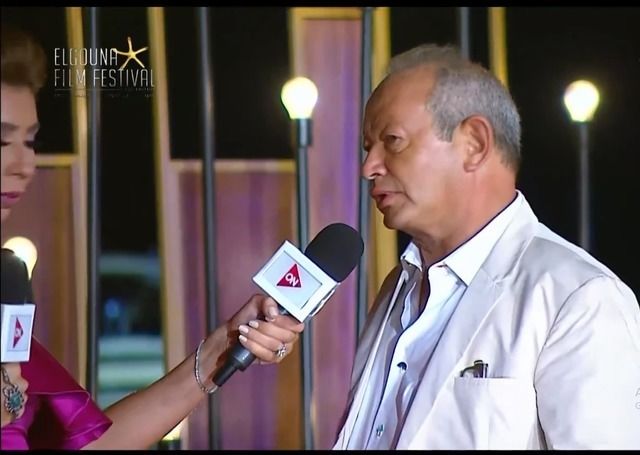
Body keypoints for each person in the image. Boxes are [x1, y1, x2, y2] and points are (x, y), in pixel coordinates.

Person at [0, 24, 305, 449]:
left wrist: (219, 349)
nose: (23, 165)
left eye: (30, 141)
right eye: (2, 141)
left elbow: (89, 445)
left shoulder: (7, 283)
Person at [333, 43, 640, 450]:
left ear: (474, 143)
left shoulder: (579, 297)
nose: (369, 167)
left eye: (392, 141)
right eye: (368, 147)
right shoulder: (398, 287)